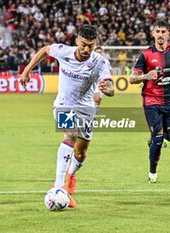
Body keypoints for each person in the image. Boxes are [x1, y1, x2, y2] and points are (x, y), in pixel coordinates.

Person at [20, 25, 114, 208]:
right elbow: (45, 50)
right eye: (84, 45)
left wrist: (107, 89)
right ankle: (59, 185)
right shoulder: (64, 51)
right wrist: (27, 70)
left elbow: (110, 86)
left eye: (91, 46)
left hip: (86, 109)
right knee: (70, 135)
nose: (87, 50)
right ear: (77, 40)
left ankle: (71, 174)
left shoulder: (100, 62)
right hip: (64, 104)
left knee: (81, 152)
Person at [130, 20, 170, 183]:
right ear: (153, 33)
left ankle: (156, 136)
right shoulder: (145, 55)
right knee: (158, 139)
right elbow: (132, 79)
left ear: (168, 33)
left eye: (163, 31)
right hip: (151, 101)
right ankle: (152, 173)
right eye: (157, 31)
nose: (160, 34)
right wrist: (146, 76)